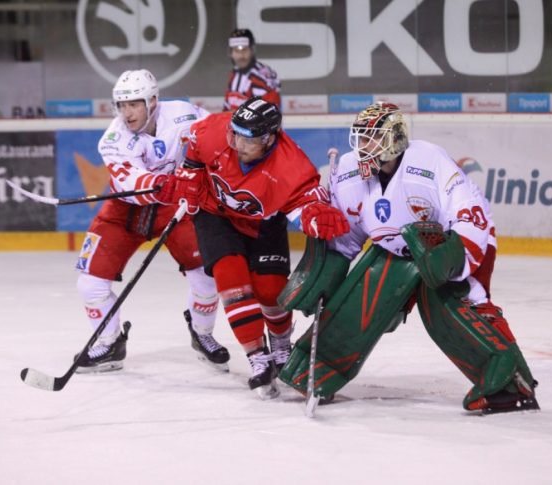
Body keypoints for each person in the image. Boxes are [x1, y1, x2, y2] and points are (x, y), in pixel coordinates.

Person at [277, 103, 539, 413]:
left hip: (446, 245)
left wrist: (453, 260)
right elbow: (347, 236)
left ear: (395, 139)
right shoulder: (348, 171)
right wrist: (325, 275)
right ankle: (318, 370)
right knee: (357, 301)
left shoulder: (428, 160)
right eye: (361, 138)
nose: (364, 147)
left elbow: (469, 212)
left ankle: (511, 386)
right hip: (393, 249)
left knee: (452, 308)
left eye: (373, 138)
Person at [156, 97, 350, 398]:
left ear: (269, 139)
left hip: (263, 223)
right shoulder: (214, 131)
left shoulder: (291, 166)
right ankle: (258, 358)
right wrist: (190, 172)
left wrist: (315, 213)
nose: (237, 144)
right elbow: (194, 143)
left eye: (247, 139)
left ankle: (281, 344)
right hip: (215, 215)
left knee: (271, 291)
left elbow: (305, 201)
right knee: (231, 281)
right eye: (234, 134)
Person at [74, 69, 229, 373]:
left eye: (134, 104)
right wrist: (168, 183)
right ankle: (110, 343)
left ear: (153, 101)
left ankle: (202, 333)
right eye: (122, 105)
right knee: (90, 283)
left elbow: (218, 134)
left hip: (175, 207)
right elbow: (133, 181)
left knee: (206, 275)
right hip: (124, 211)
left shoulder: (184, 113)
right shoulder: (112, 140)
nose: (127, 112)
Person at [223, 29, 281, 112]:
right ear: (231, 53)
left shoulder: (263, 76)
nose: (241, 56)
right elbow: (226, 110)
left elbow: (270, 113)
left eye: (244, 50)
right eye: (236, 50)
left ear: (252, 50)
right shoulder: (234, 75)